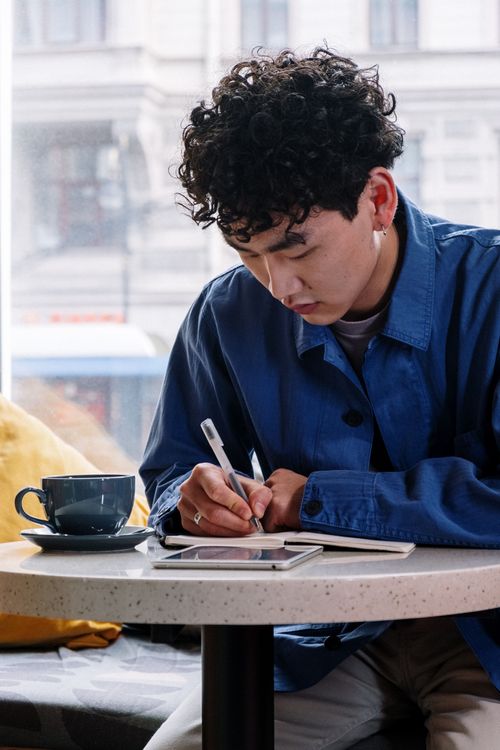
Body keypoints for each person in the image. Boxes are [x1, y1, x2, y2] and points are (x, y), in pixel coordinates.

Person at [140, 46, 500, 749]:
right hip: (325, 641)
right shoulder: (226, 315)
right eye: (248, 253)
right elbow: (167, 478)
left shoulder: (491, 286)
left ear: (378, 198)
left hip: (486, 635)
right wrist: (193, 500)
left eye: (297, 248)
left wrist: (319, 500)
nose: (277, 285)